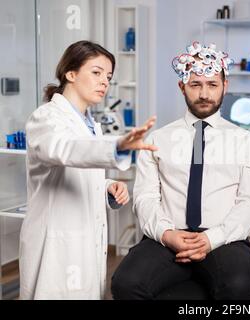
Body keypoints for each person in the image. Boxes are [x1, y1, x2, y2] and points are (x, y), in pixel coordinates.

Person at [111, 42, 250, 300]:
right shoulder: (157, 139)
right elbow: (145, 198)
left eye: (212, 85)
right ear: (182, 86)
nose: (204, 93)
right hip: (169, 236)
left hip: (224, 238)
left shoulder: (245, 141)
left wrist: (211, 238)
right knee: (126, 283)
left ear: (225, 87)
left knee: (237, 285)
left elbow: (249, 203)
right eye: (195, 85)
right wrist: (166, 234)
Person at [20, 40, 157, 300]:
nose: (104, 82)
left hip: (85, 240)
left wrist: (107, 187)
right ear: (70, 74)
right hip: (57, 241)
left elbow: (79, 169)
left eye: (108, 76)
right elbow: (63, 150)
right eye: (96, 73)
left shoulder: (91, 124)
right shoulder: (46, 117)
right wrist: (116, 146)